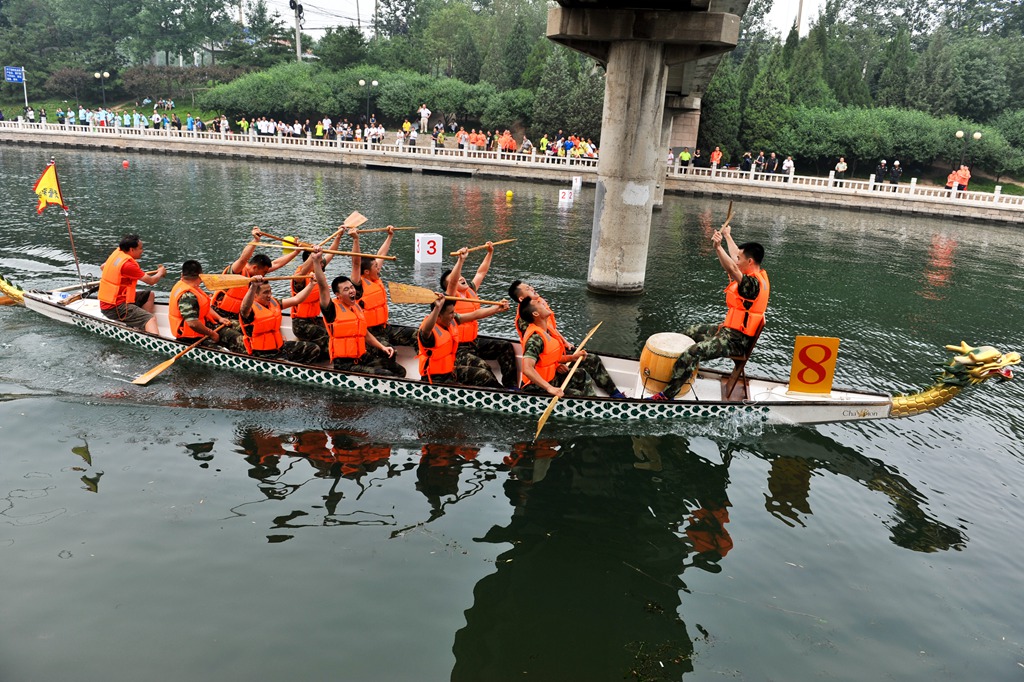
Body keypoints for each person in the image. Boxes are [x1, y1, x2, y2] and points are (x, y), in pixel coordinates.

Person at [650, 225, 769, 401]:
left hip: (735, 342)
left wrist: (718, 247)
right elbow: (736, 257)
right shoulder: (755, 274)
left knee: (693, 352)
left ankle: (667, 396)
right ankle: (686, 372)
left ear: (749, 261)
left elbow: (732, 268)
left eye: (739, 259)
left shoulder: (753, 285)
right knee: (688, 333)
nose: (736, 260)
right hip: (728, 332)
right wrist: (727, 236)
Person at [508, 280, 626, 399]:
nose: (532, 288)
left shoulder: (538, 316)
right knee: (579, 388)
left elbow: (551, 334)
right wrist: (551, 383)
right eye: (527, 289)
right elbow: (531, 362)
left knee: (584, 371)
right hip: (538, 382)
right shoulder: (531, 329)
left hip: (552, 364)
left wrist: (569, 352)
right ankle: (594, 402)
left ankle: (609, 396)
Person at [442, 245, 518, 389]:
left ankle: (512, 386)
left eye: (461, 276)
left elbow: (481, 272)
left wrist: (490, 252)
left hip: (474, 342)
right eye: (457, 277)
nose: (461, 277)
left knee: (505, 346)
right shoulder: (450, 298)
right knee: (484, 367)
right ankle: (501, 392)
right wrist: (461, 260)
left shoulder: (470, 290)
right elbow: (473, 315)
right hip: (458, 349)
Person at [238, 251, 325, 364]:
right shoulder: (249, 311)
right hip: (263, 355)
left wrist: (311, 284)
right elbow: (244, 307)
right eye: (265, 293)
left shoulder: (274, 303)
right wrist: (253, 286)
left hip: (280, 348)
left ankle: (300, 367)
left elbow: (297, 299)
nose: (269, 295)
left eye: (270, 291)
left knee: (314, 349)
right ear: (255, 295)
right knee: (286, 361)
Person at [317, 268, 404, 376]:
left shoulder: (356, 307)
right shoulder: (331, 310)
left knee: (399, 370)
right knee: (386, 374)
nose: (351, 291)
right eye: (346, 289)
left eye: (351, 287)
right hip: (345, 364)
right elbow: (323, 287)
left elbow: (365, 334)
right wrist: (316, 262)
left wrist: (383, 347)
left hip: (362, 357)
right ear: (338, 295)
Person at [350, 226, 418, 353]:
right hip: (370, 334)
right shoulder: (358, 285)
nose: (379, 268)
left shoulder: (374, 277)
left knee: (419, 335)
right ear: (366, 271)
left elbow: (381, 254)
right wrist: (355, 239)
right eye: (376, 266)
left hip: (385, 328)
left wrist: (390, 236)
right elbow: (356, 263)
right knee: (390, 352)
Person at [416, 294, 508, 387]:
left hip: (450, 372)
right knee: (484, 376)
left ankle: (502, 391)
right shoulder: (429, 334)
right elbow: (426, 330)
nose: (453, 315)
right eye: (451, 313)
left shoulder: (451, 320)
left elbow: (475, 315)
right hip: (435, 379)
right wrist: (437, 308)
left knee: (485, 372)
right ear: (439, 315)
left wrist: (496, 308)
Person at [517, 296, 596, 397]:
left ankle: (592, 399)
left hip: (551, 377)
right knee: (576, 394)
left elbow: (551, 358)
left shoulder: (547, 331)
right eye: (538, 303)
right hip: (535, 387)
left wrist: (572, 357)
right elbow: (527, 369)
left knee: (582, 374)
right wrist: (549, 388)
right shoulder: (536, 339)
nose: (543, 303)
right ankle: (589, 402)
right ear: (536, 314)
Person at [212, 227, 300, 318]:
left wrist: (296, 252)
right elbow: (243, 259)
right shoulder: (238, 270)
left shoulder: (256, 274)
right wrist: (255, 241)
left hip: (239, 316)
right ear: (255, 267)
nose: (264, 275)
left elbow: (276, 264)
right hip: (220, 314)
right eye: (264, 272)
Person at [288, 229, 344, 359]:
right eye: (316, 260)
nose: (321, 262)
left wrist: (338, 235)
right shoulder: (300, 277)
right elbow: (302, 273)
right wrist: (313, 257)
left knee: (337, 330)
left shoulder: (318, 268)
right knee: (328, 338)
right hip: (301, 324)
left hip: (314, 319)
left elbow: (331, 252)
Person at [98, 234, 168, 334]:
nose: (142, 251)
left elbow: (102, 267)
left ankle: (140, 326)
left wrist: (123, 276)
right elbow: (151, 281)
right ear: (131, 250)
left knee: (149, 295)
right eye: (140, 248)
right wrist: (160, 272)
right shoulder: (128, 265)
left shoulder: (118, 253)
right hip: (114, 308)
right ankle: (154, 337)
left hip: (112, 301)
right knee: (150, 318)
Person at [168, 260, 244, 352]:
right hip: (192, 337)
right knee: (236, 339)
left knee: (241, 327)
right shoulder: (188, 296)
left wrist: (219, 318)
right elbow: (193, 323)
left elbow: (205, 307)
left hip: (205, 325)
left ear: (182, 275)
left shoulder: (191, 287)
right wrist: (212, 334)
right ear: (200, 276)